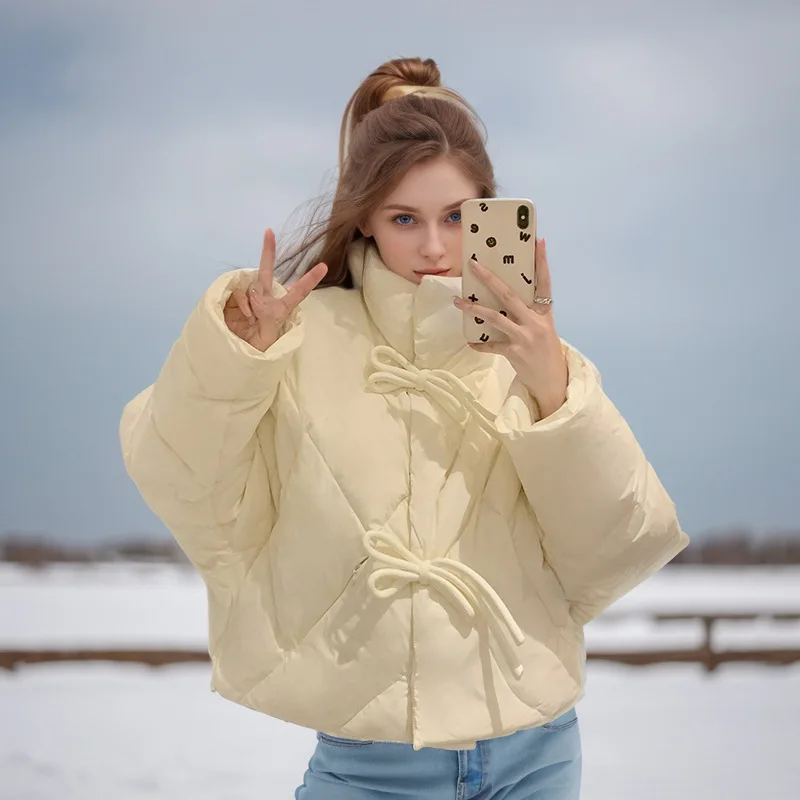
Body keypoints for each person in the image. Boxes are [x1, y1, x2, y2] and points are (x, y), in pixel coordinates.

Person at [120, 56, 689, 799]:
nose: (432, 248)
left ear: (489, 209)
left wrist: (553, 386)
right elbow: (183, 477)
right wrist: (238, 357)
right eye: (404, 219)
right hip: (369, 767)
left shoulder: (529, 351)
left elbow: (615, 545)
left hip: (537, 754)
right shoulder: (296, 338)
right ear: (363, 217)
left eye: (455, 217)